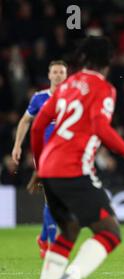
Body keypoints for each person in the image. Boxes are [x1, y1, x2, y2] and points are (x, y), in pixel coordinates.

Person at [30, 36, 124, 279]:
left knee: (69, 229)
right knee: (110, 233)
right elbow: (101, 129)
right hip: (74, 170)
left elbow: (37, 127)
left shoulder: (66, 86)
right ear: (108, 61)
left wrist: (38, 165)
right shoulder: (104, 88)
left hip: (49, 169)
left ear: (83, 59)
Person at [11, 60, 67, 259]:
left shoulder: (73, 98)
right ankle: (51, 244)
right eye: (55, 72)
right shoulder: (39, 98)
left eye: (62, 71)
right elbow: (25, 121)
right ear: (49, 75)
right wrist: (17, 145)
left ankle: (44, 238)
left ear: (66, 75)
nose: (58, 75)